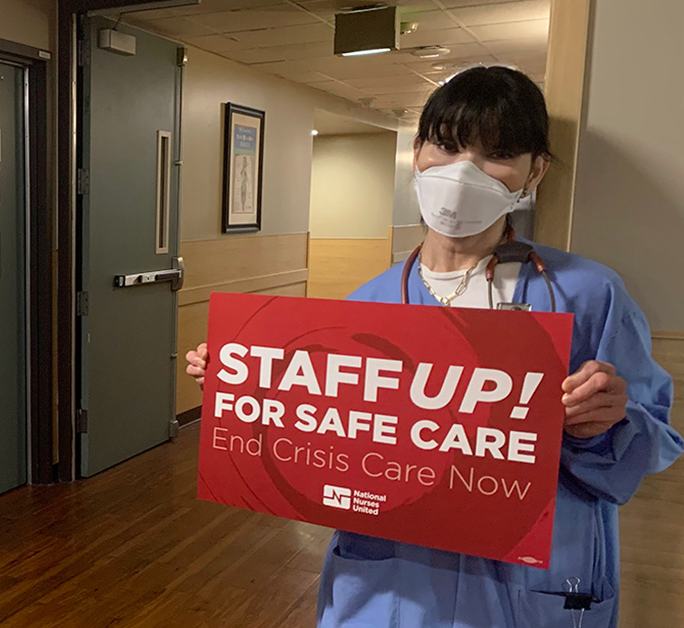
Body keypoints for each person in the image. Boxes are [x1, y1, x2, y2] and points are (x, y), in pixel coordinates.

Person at [186, 67, 680, 627]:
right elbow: (322, 448)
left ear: (534, 171)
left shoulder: (586, 294)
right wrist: (247, 385)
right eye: (445, 146)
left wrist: (607, 425)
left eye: (497, 154)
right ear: (417, 152)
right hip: (390, 582)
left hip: (530, 585)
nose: (462, 171)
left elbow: (655, 442)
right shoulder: (365, 307)